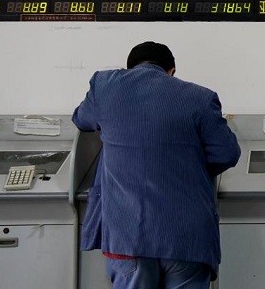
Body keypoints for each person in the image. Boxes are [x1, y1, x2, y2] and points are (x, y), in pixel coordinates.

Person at [73, 41, 241, 289]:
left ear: (129, 69)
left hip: (128, 236)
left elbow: (81, 119)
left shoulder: (105, 87)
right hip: (187, 238)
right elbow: (227, 153)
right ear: (171, 70)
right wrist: (189, 166)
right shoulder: (201, 98)